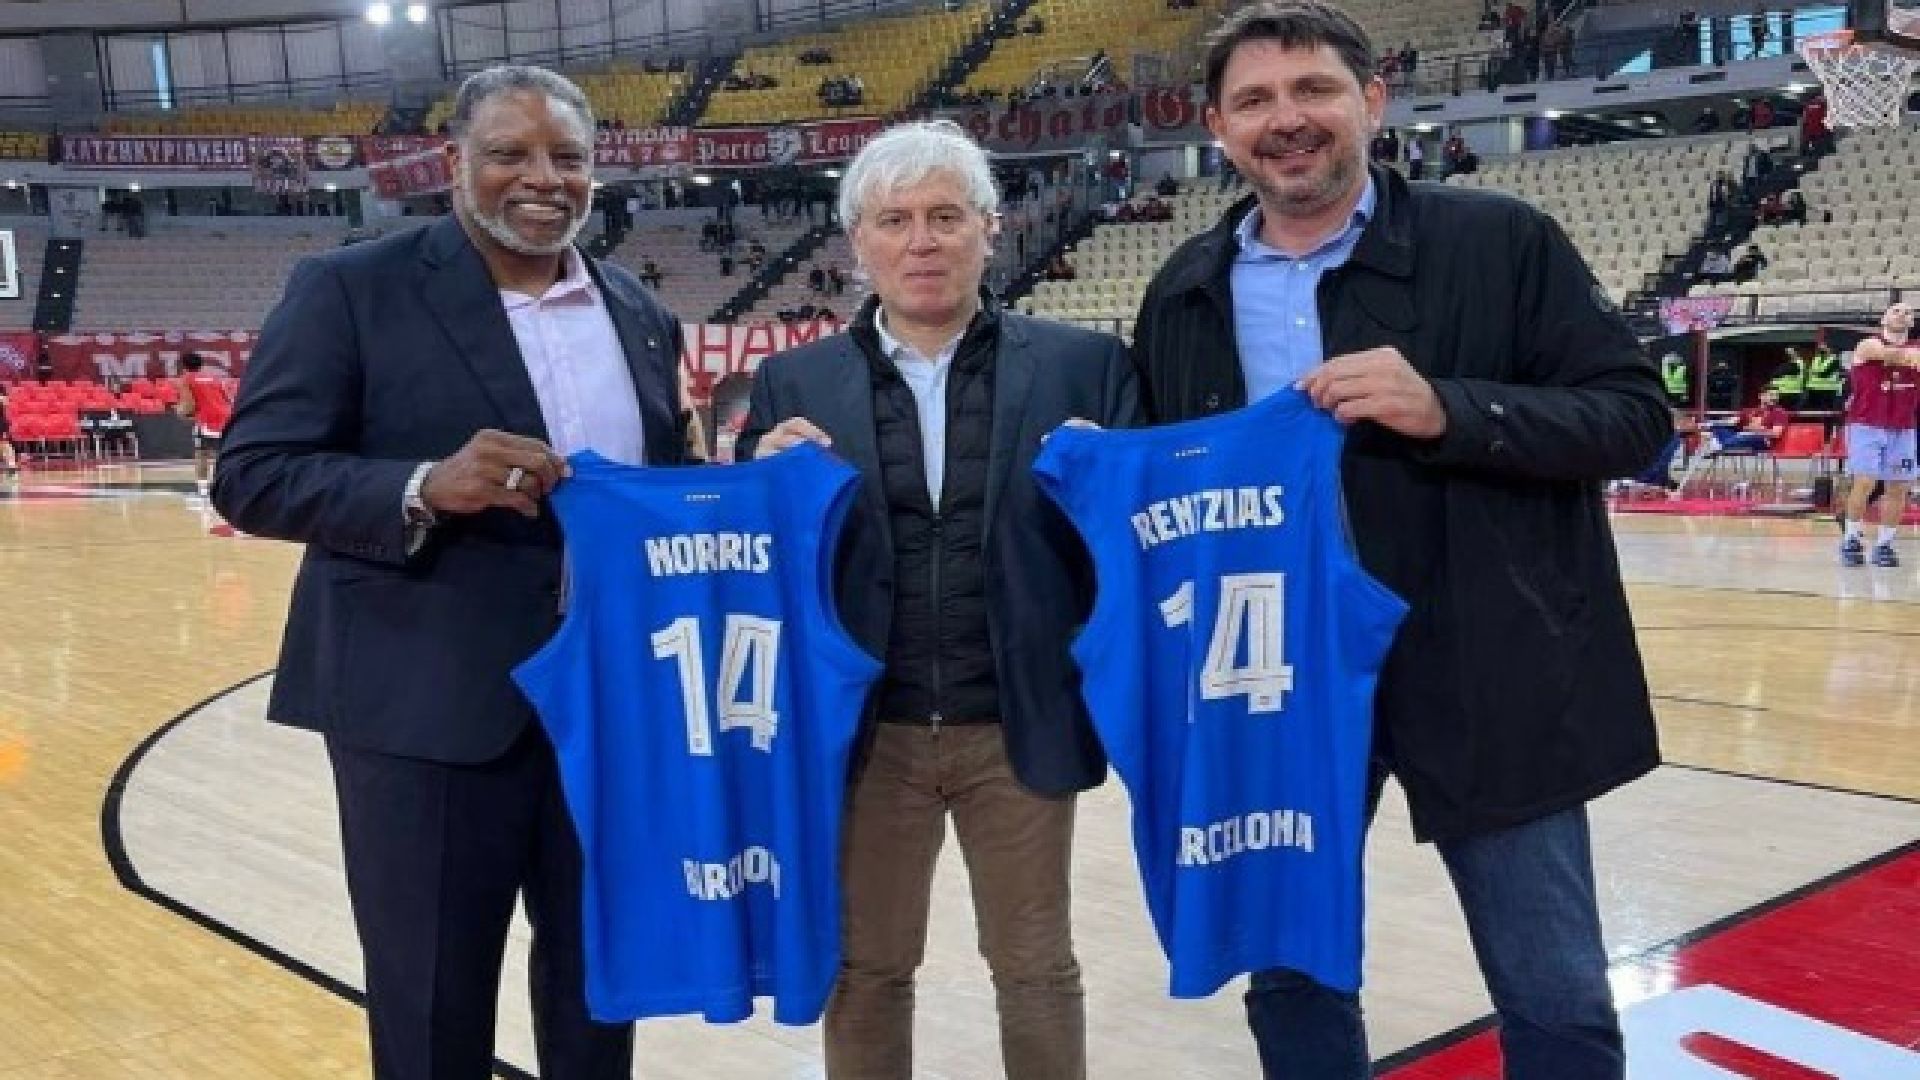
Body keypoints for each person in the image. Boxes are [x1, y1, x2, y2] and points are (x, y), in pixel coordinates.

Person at [1125, 4, 1669, 1077]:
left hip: (1484, 661)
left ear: (1372, 101)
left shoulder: (1499, 241)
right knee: (1291, 971)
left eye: (1313, 90)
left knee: (1552, 984)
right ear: (1218, 127)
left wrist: (1451, 409)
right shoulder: (1183, 291)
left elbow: (1634, 418)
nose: (1287, 119)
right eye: (1255, 100)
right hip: (1277, 677)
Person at [211, 65, 690, 1079]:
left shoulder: (640, 310)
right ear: (453, 162)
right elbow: (251, 476)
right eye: (510, 153)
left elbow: (663, 491)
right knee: (432, 1007)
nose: (543, 178)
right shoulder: (351, 288)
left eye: (567, 157)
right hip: (422, 709)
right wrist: (424, 485)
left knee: (602, 989)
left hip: (608, 708)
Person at [736, 119, 1140, 1080]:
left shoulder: (1085, 366)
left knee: (1036, 969)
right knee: (868, 972)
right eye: (895, 220)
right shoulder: (791, 383)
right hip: (866, 733)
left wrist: (1114, 486)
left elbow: (1138, 551)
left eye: (946, 216)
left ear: (990, 230)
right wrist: (757, 478)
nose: (921, 241)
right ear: (858, 242)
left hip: (1016, 722)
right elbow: (761, 562)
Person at [1839, 304, 1920, 567]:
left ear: (1912, 322)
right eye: (1896, 311)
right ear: (1884, 319)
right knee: (1864, 482)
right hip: (1866, 425)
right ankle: (1851, 538)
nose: (1902, 314)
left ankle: (1884, 544)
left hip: (1903, 427)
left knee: (1898, 486)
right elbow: (1887, 354)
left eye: (1908, 312)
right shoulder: (1867, 345)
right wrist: (1908, 356)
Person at [175, 351, 232, 500]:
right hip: (226, 417)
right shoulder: (214, 378)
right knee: (222, 455)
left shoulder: (186, 379)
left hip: (208, 420)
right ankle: (226, 487)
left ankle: (203, 490)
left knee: (202, 454)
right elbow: (227, 399)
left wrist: (180, 412)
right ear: (201, 365)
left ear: (183, 366)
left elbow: (189, 405)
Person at [1701, 387, 1790, 454]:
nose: (1774, 398)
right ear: (1761, 396)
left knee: (1748, 437)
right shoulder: (1750, 411)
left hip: (1761, 440)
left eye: (1776, 396)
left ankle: (1718, 445)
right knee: (1717, 427)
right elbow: (1731, 421)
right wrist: (1709, 424)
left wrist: (1756, 430)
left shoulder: (1779, 412)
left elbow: (1776, 433)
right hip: (1740, 436)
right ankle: (1719, 444)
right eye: (1770, 395)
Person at [0, 385, 18, 477]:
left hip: (1, 422)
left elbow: (6, 402)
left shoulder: (1, 389)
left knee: (4, 444)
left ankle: (12, 465)